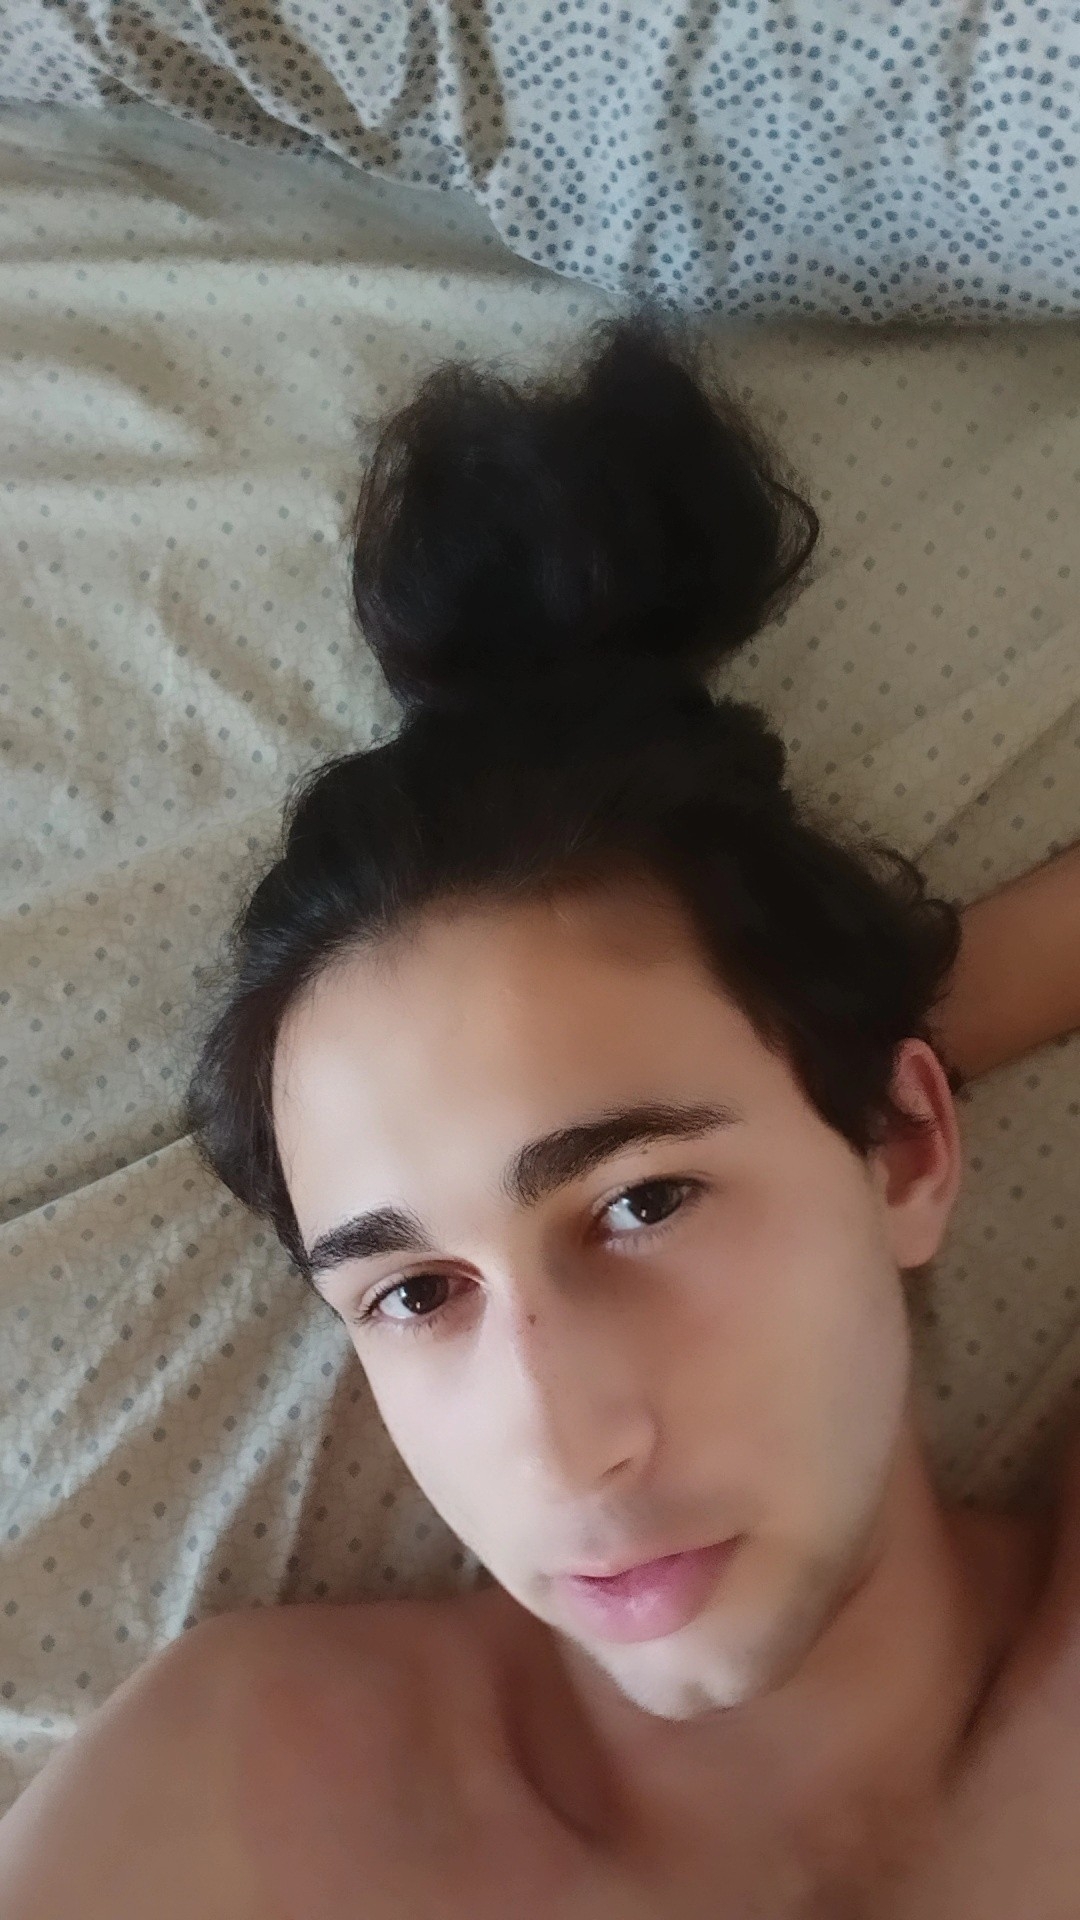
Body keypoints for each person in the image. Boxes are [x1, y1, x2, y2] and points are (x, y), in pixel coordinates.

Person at [1, 306, 1078, 1920]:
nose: (567, 1448)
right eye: (414, 1293)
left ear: (913, 1148)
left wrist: (841, 1057)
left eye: (643, 1201)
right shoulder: (236, 1805)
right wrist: (803, 1090)